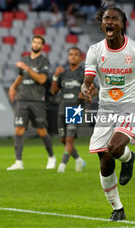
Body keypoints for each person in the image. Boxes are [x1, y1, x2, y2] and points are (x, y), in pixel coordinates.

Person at [81, 6, 135, 221]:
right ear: (102, 25)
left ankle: (128, 158)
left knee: (114, 147)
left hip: (132, 106)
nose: (109, 21)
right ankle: (118, 208)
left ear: (122, 24)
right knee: (105, 161)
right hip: (106, 109)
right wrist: (85, 88)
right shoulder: (95, 50)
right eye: (106, 18)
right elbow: (88, 79)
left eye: (114, 19)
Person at [7, 35, 56, 170]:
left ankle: (51, 157)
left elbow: (42, 80)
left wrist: (28, 68)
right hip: (22, 99)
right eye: (34, 42)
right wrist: (13, 87)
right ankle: (18, 162)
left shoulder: (43, 61)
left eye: (39, 43)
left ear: (42, 46)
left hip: (37, 100)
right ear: (32, 44)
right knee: (18, 129)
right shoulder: (25, 60)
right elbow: (21, 77)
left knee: (41, 131)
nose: (36, 44)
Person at [51, 47, 91, 173]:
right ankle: (79, 160)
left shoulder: (84, 74)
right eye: (70, 54)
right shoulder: (63, 73)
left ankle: (62, 165)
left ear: (80, 58)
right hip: (62, 109)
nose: (73, 56)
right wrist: (55, 77)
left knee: (69, 139)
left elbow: (94, 89)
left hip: (75, 109)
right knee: (63, 140)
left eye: (75, 54)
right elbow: (54, 91)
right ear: (68, 57)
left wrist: (85, 93)